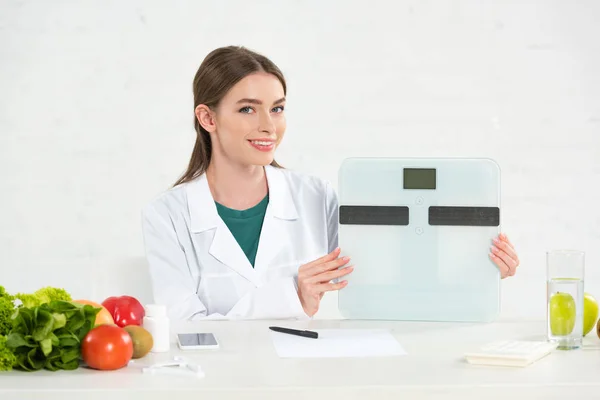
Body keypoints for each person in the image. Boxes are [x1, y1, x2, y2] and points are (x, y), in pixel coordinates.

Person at [141, 46, 520, 321]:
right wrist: (293, 295)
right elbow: (180, 329)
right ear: (208, 118)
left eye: (277, 108)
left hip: (309, 378)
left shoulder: (315, 197)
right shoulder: (168, 215)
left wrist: (477, 268)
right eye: (247, 109)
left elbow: (385, 282)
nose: (268, 126)